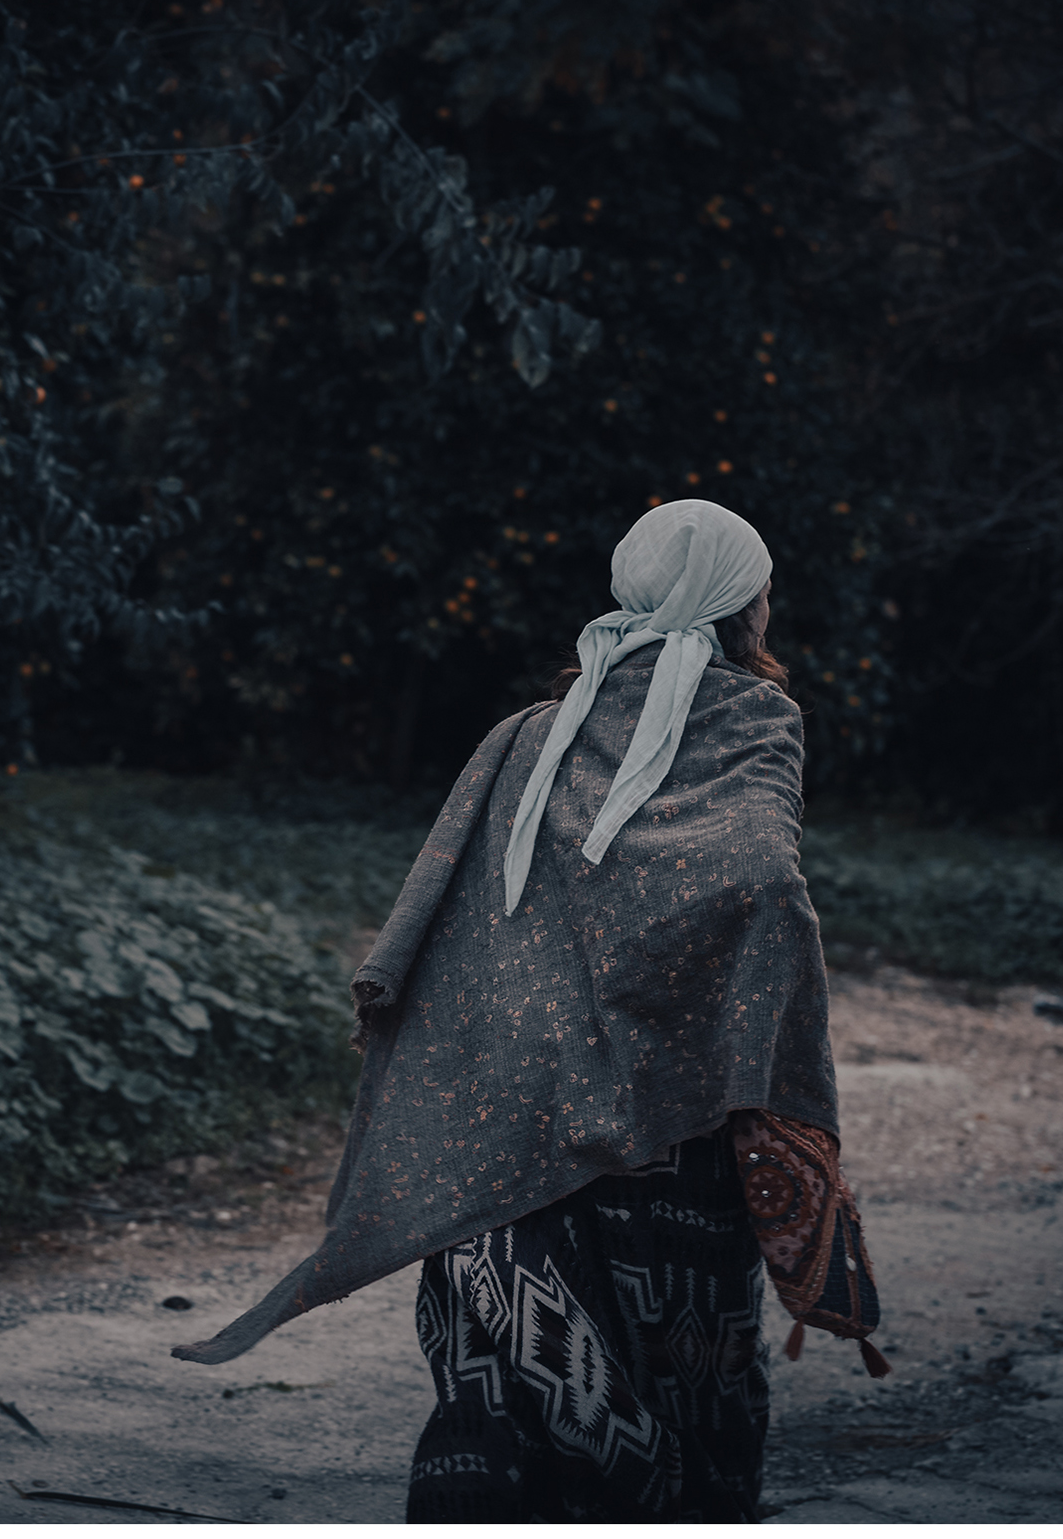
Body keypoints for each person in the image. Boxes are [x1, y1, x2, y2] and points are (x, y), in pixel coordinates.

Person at [174, 499, 883, 1521]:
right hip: (669, 1122)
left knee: (500, 1389)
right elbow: (761, 880)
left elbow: (476, 923)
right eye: (763, 589)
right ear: (741, 602)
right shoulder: (752, 717)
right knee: (686, 1385)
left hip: (507, 1119)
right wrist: (717, 1003)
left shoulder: (532, 733)